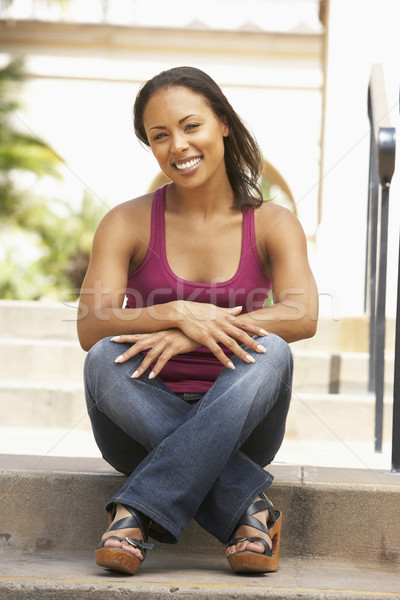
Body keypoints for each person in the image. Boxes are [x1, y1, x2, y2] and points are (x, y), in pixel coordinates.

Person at [78, 66, 318, 576]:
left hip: (243, 427)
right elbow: (90, 325)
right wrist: (177, 312)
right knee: (103, 358)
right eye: (159, 135)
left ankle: (135, 511)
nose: (178, 145)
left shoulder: (273, 222)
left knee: (274, 350)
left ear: (224, 124)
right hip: (135, 420)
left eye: (191, 126)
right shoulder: (126, 220)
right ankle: (250, 511)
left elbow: (302, 314)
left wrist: (188, 340)